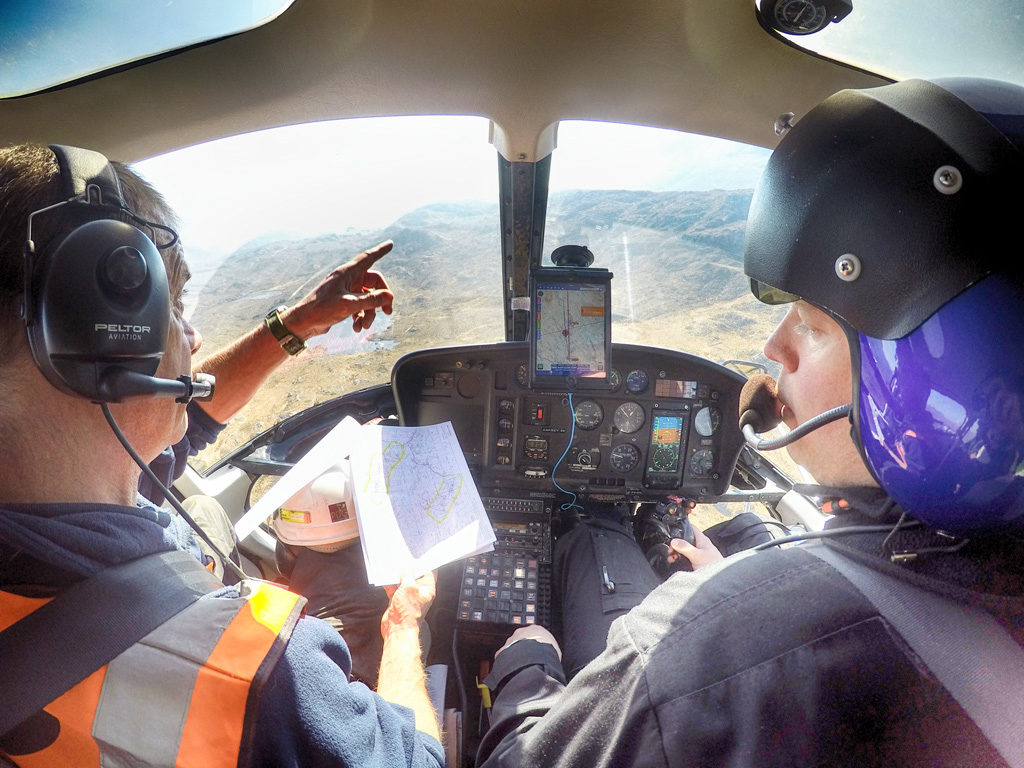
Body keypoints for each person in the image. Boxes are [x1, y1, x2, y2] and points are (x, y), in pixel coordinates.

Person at [475, 78, 1024, 767]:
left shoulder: (697, 653)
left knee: (595, 532)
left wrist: (528, 664)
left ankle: (609, 532)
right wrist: (739, 569)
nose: (773, 349)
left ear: (941, 383)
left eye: (813, 326)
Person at [0, 143, 443, 766]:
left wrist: (297, 325)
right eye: (172, 307)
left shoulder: (48, 484)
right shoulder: (262, 674)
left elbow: (188, 421)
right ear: (98, 338)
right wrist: (403, 628)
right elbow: (418, 758)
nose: (193, 335)